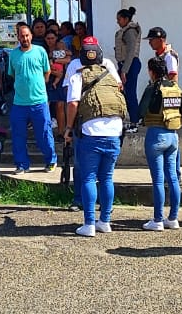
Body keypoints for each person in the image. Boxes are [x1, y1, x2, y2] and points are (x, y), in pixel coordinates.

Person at [64, 37, 126, 237]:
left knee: (89, 177)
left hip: (91, 132)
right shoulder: (109, 72)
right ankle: (105, 221)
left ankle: (89, 223)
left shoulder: (77, 73)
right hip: (115, 130)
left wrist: (67, 128)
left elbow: (73, 103)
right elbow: (120, 89)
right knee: (107, 177)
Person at [138, 56, 182, 231]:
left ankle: (158, 220)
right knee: (173, 177)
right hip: (173, 136)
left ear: (151, 71)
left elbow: (140, 111)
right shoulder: (175, 87)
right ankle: (173, 218)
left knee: (158, 180)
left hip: (156, 135)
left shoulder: (153, 88)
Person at [8, 22, 57, 175]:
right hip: (19, 103)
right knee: (18, 135)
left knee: (44, 133)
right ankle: (22, 164)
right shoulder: (13, 54)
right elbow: (13, 74)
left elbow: (46, 72)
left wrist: (39, 86)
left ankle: (51, 161)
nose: (25, 38)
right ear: (18, 38)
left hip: (39, 102)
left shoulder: (40, 51)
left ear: (31, 36)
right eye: (22, 36)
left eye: (27, 35)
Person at [114, 7, 143, 130]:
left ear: (126, 19)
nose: (118, 22)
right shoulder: (124, 31)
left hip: (129, 65)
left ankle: (134, 122)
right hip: (125, 64)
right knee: (123, 93)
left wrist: (124, 71)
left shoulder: (130, 31)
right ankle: (129, 119)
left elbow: (131, 52)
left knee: (130, 93)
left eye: (119, 19)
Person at [46, 32, 71, 137]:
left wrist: (55, 60)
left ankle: (61, 132)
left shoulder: (59, 49)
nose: (50, 40)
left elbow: (68, 58)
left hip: (60, 79)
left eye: (52, 38)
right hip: (47, 78)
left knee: (60, 105)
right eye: (48, 38)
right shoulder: (43, 50)